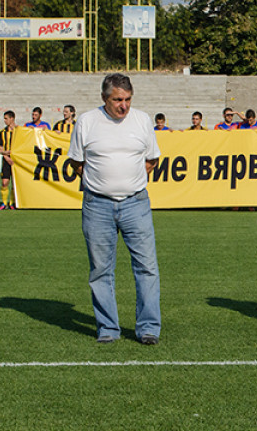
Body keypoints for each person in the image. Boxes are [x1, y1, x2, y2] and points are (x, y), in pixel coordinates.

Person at [67, 73, 162, 345]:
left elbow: (152, 158)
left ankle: (148, 328)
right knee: (100, 270)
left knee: (147, 267)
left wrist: (131, 180)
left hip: (136, 203)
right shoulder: (86, 121)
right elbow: (77, 161)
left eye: (128, 99)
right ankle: (108, 327)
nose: (124, 106)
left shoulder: (142, 120)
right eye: (118, 100)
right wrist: (101, 182)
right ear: (104, 98)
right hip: (97, 205)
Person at [0, 111, 17, 210]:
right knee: (5, 182)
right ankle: (4, 203)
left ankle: (12, 203)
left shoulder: (19, 131)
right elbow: (0, 148)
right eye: (4, 118)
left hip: (17, 161)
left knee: (15, 183)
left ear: (12, 118)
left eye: (6, 118)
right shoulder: (2, 133)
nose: (4, 120)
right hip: (6, 161)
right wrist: (6, 157)